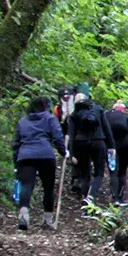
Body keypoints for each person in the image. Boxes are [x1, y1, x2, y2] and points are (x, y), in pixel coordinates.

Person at [12, 96, 64, 232]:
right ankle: (47, 219)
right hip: (45, 154)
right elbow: (57, 136)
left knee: (27, 185)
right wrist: (64, 151)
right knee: (48, 187)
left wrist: (16, 162)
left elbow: (16, 144)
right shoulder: (50, 118)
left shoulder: (22, 121)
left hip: (25, 156)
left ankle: (23, 213)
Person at [65, 91, 109, 207]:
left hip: (81, 143)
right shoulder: (98, 109)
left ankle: (85, 201)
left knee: (85, 174)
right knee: (99, 173)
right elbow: (106, 128)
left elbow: (71, 135)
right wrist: (112, 146)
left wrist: (72, 154)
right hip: (98, 141)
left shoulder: (74, 114)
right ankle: (91, 196)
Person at [102, 99, 128, 205]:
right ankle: (120, 197)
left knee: (113, 171)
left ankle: (114, 198)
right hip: (125, 147)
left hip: (111, 147)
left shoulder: (106, 116)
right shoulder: (127, 118)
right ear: (123, 110)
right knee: (122, 172)